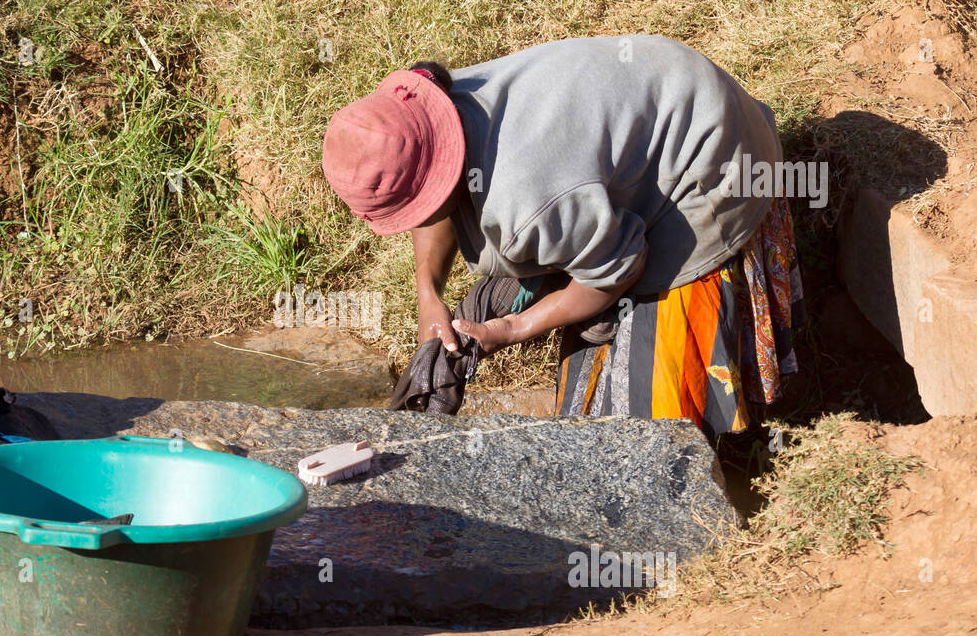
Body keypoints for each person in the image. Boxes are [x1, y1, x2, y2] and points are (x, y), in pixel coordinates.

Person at [321, 35, 805, 440]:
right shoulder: (439, 106)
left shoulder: (526, 203)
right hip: (673, 86)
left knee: (630, 440)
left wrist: (510, 329)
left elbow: (620, 267)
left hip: (721, 162)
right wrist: (429, 291)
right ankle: (587, 240)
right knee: (556, 248)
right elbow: (435, 201)